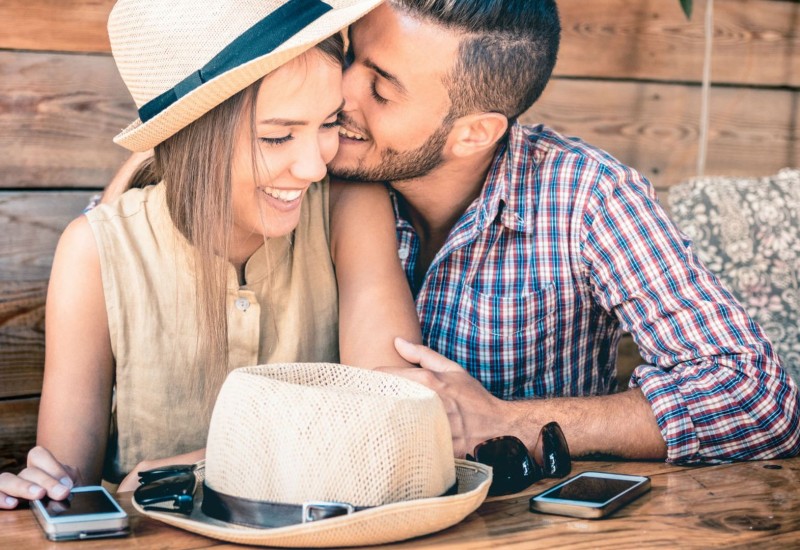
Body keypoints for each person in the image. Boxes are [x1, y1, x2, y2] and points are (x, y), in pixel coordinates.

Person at [330, 0, 799, 463]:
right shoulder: (307, 168)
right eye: (350, 58)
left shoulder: (589, 197)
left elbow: (758, 398)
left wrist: (511, 423)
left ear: (474, 133)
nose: (341, 94)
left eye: (381, 90)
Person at [0, 0, 422, 509]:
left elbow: (397, 416)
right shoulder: (95, 250)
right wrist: (39, 492)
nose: (314, 166)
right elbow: (70, 490)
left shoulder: (350, 209)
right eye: (277, 136)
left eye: (328, 122)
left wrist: (193, 469)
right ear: (193, 138)